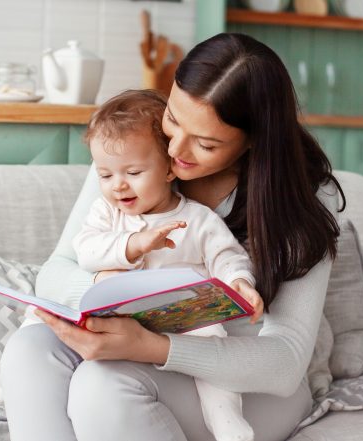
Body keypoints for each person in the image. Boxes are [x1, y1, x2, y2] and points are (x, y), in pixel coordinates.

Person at [0, 32, 345, 441]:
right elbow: (56, 271)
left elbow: (284, 362)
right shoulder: (135, 150)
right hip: (138, 348)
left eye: (205, 143)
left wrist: (148, 347)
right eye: (175, 119)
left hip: (241, 379)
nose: (175, 150)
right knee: (29, 350)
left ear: (253, 142)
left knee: (103, 386)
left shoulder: (302, 194)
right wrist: (101, 285)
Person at [71, 89, 264, 441]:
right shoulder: (107, 212)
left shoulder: (197, 219)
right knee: (39, 326)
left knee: (212, 340)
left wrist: (239, 281)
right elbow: (85, 249)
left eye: (133, 171)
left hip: (183, 319)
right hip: (120, 318)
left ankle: (226, 420)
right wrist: (133, 245)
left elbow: (226, 255)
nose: (119, 185)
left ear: (169, 168)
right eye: (105, 175)